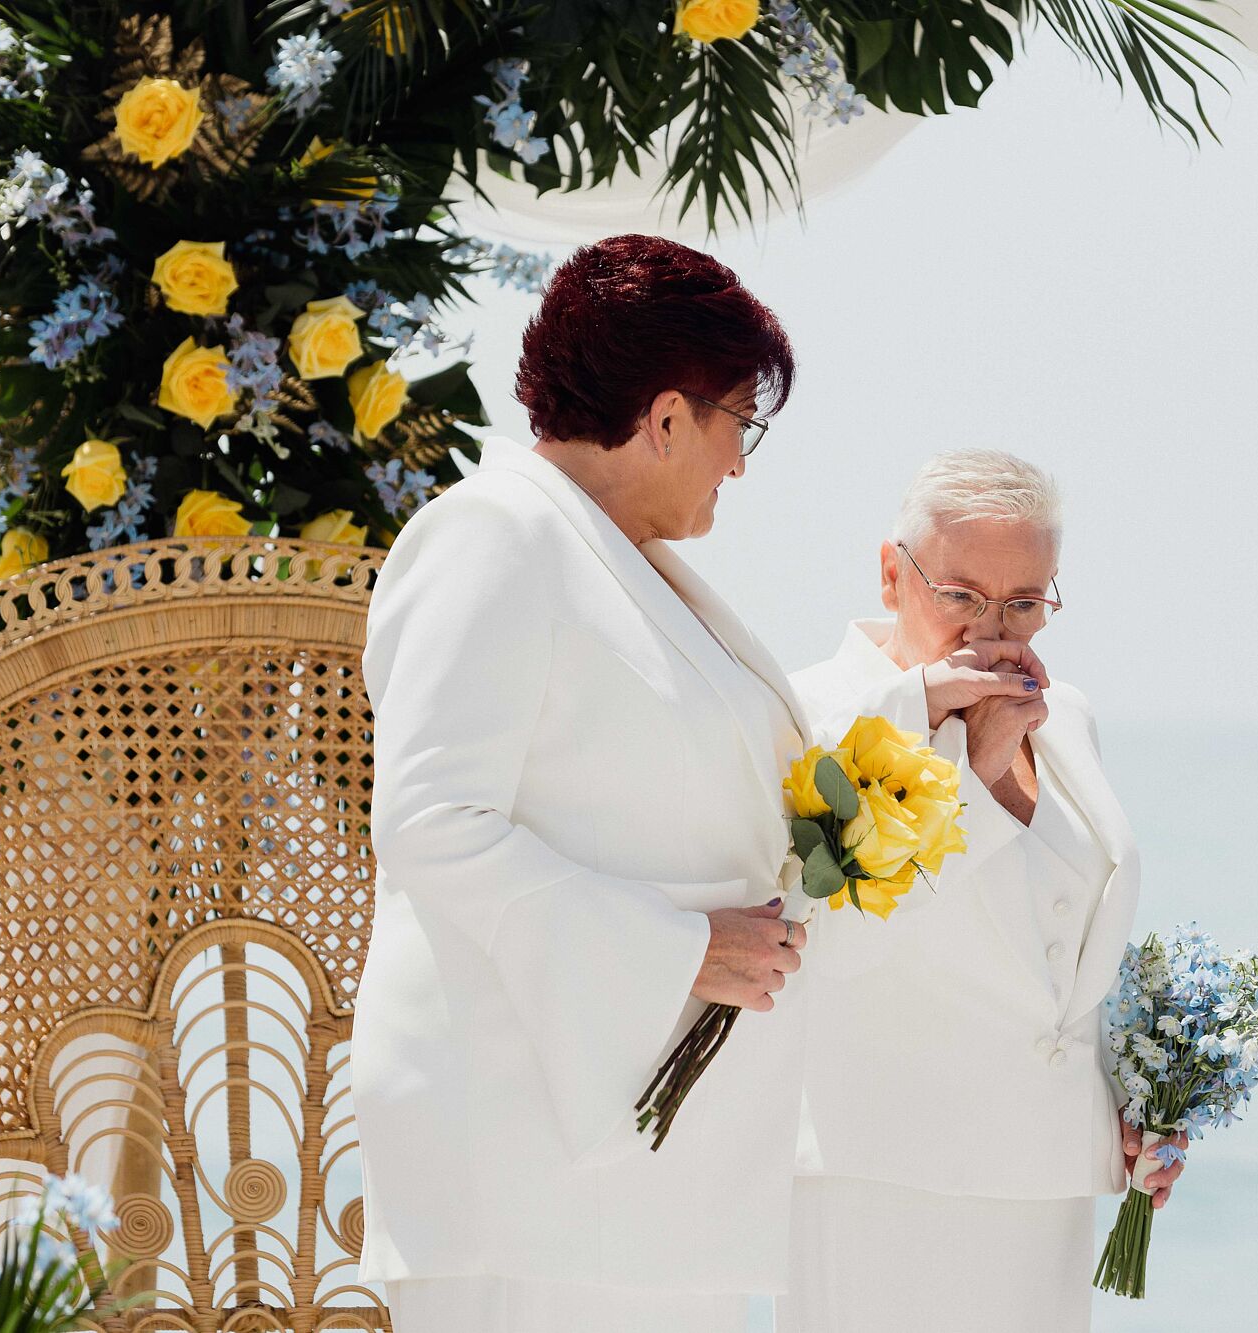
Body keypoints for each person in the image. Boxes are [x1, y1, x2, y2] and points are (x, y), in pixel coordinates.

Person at [354, 234, 824, 1331]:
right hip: (527, 1154)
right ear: (666, 417)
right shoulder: (492, 536)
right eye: (738, 424)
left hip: (626, 1165)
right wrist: (681, 950)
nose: (741, 464)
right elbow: (431, 820)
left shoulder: (611, 553)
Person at [779, 449, 1184, 1331]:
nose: (994, 630)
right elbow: (829, 943)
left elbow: (1062, 944)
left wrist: (1133, 1100)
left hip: (1045, 1185)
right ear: (893, 574)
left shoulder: (1066, 713)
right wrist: (977, 768)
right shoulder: (815, 714)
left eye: (1027, 601)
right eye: (961, 595)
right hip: (877, 1177)